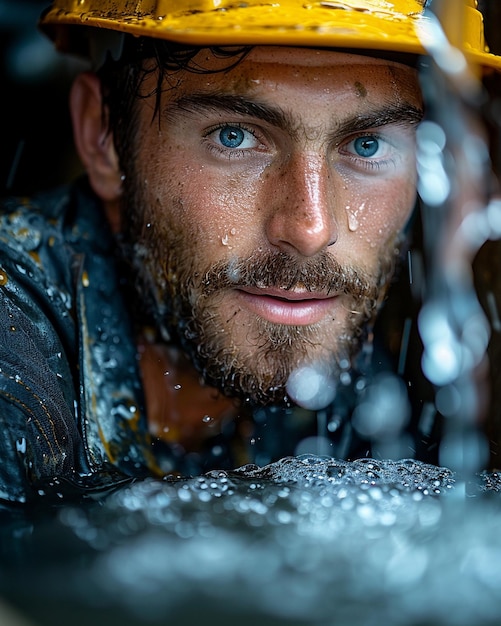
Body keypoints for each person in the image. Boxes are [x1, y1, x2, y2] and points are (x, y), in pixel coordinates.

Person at [0, 0, 499, 504]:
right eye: (234, 137)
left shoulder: (372, 391)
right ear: (102, 133)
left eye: (366, 145)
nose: (310, 229)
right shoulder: (12, 337)